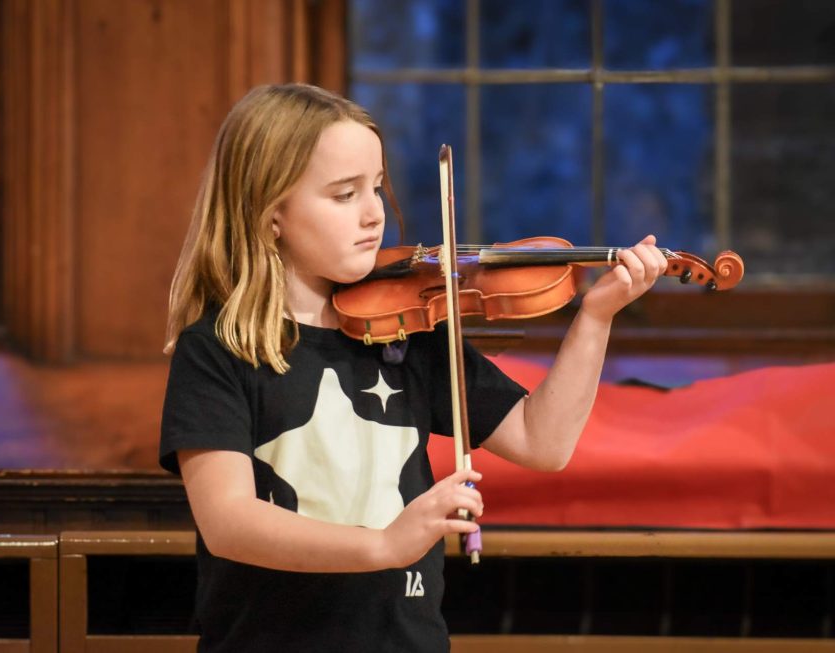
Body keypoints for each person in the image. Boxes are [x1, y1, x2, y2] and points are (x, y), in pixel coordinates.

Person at [159, 82, 667, 653]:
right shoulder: (219, 349)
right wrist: (384, 545)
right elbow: (228, 522)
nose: (374, 213)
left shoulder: (413, 330)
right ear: (271, 212)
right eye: (344, 194)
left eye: (376, 187)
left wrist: (595, 319)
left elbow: (542, 442)